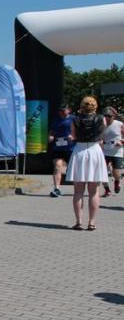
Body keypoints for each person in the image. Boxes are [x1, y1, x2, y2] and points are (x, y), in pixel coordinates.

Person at [67, 96, 107, 231]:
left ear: (82, 106)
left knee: (78, 191)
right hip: (95, 151)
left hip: (80, 151)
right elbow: (102, 135)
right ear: (95, 106)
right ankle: (92, 222)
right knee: (94, 191)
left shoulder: (75, 119)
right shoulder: (101, 118)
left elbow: (73, 136)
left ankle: (79, 222)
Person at [48, 105, 74, 197]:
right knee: (57, 166)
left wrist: (73, 136)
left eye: (63, 111)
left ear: (69, 110)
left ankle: (78, 189)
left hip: (71, 148)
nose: (61, 113)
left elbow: (79, 131)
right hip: (58, 147)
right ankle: (56, 189)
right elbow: (52, 131)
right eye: (60, 111)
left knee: (74, 169)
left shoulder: (74, 119)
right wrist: (50, 136)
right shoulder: (56, 119)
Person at [100, 107, 122, 197]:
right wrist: (100, 142)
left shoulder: (119, 124)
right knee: (101, 171)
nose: (107, 118)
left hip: (117, 151)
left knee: (115, 171)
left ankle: (117, 182)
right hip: (104, 150)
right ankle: (107, 190)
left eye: (109, 116)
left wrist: (121, 142)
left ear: (114, 116)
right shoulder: (101, 125)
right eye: (105, 116)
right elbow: (98, 136)